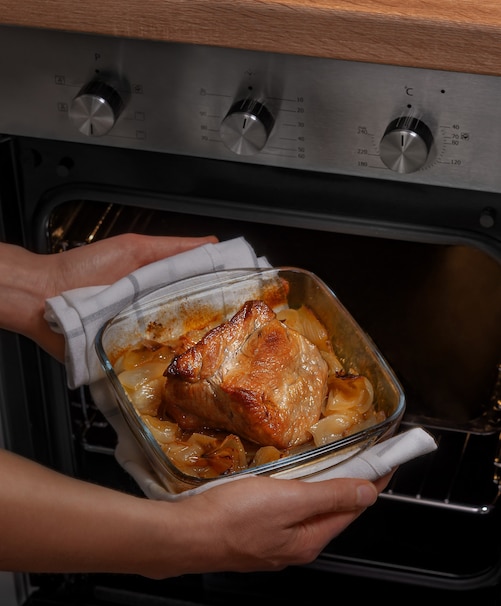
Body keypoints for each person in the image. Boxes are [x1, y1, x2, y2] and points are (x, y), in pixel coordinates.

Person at [0, 233, 392, 579]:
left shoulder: (265, 337)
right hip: (208, 380)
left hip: (234, 367)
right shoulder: (194, 377)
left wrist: (42, 285)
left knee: (249, 375)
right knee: (223, 384)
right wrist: (190, 537)